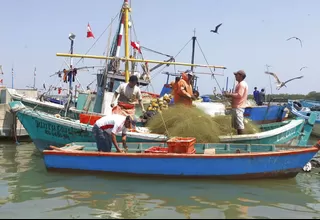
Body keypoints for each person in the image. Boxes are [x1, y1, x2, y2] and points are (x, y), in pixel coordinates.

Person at [224, 70, 248, 135]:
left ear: (241, 76)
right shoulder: (240, 84)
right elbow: (237, 95)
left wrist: (229, 94)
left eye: (236, 75)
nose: (235, 76)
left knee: (240, 125)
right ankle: (239, 138)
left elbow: (239, 95)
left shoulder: (241, 84)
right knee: (237, 125)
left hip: (238, 107)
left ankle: (242, 139)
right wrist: (230, 96)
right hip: (237, 107)